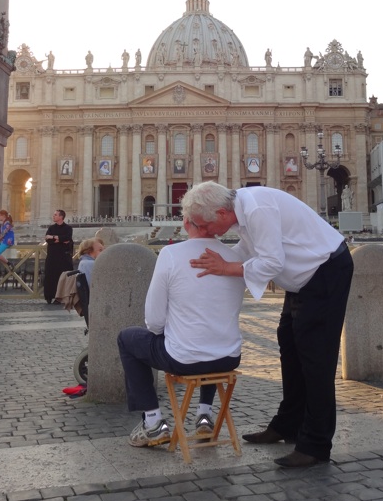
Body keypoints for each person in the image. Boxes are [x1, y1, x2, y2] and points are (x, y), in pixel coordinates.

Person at [184, 181, 353, 468]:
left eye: (205, 225)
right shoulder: (243, 211)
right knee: (289, 344)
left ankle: (316, 444)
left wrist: (225, 268)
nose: (206, 232)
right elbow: (247, 251)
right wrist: (209, 259)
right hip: (305, 279)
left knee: (316, 359)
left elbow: (272, 262)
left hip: (324, 272)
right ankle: (288, 424)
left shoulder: (257, 208)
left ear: (222, 213)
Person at [117, 219, 245, 448]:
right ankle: (204, 414)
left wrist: (167, 332)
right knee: (208, 341)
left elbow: (154, 321)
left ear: (186, 222)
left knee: (127, 339)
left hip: (185, 359)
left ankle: (153, 422)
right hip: (229, 357)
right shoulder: (234, 257)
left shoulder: (171, 254)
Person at [43, 210, 74, 304]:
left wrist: (53, 237)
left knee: (62, 276)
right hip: (52, 256)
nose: (53, 216)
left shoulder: (68, 228)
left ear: (61, 217)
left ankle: (61, 297)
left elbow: (67, 238)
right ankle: (49, 296)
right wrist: (59, 239)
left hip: (63, 257)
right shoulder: (51, 228)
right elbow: (47, 239)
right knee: (50, 276)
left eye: (55, 215)